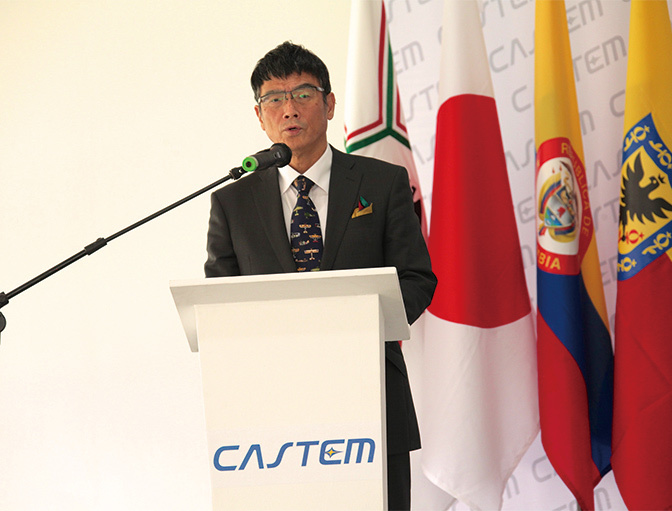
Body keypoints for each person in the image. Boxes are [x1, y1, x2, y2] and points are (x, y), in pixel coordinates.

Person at [205, 41, 436, 511]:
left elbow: (417, 278)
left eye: (303, 94)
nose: (289, 109)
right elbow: (220, 304)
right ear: (259, 115)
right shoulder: (232, 201)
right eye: (274, 98)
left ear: (329, 104)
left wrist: (359, 325)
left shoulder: (381, 182)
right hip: (270, 415)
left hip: (373, 395)